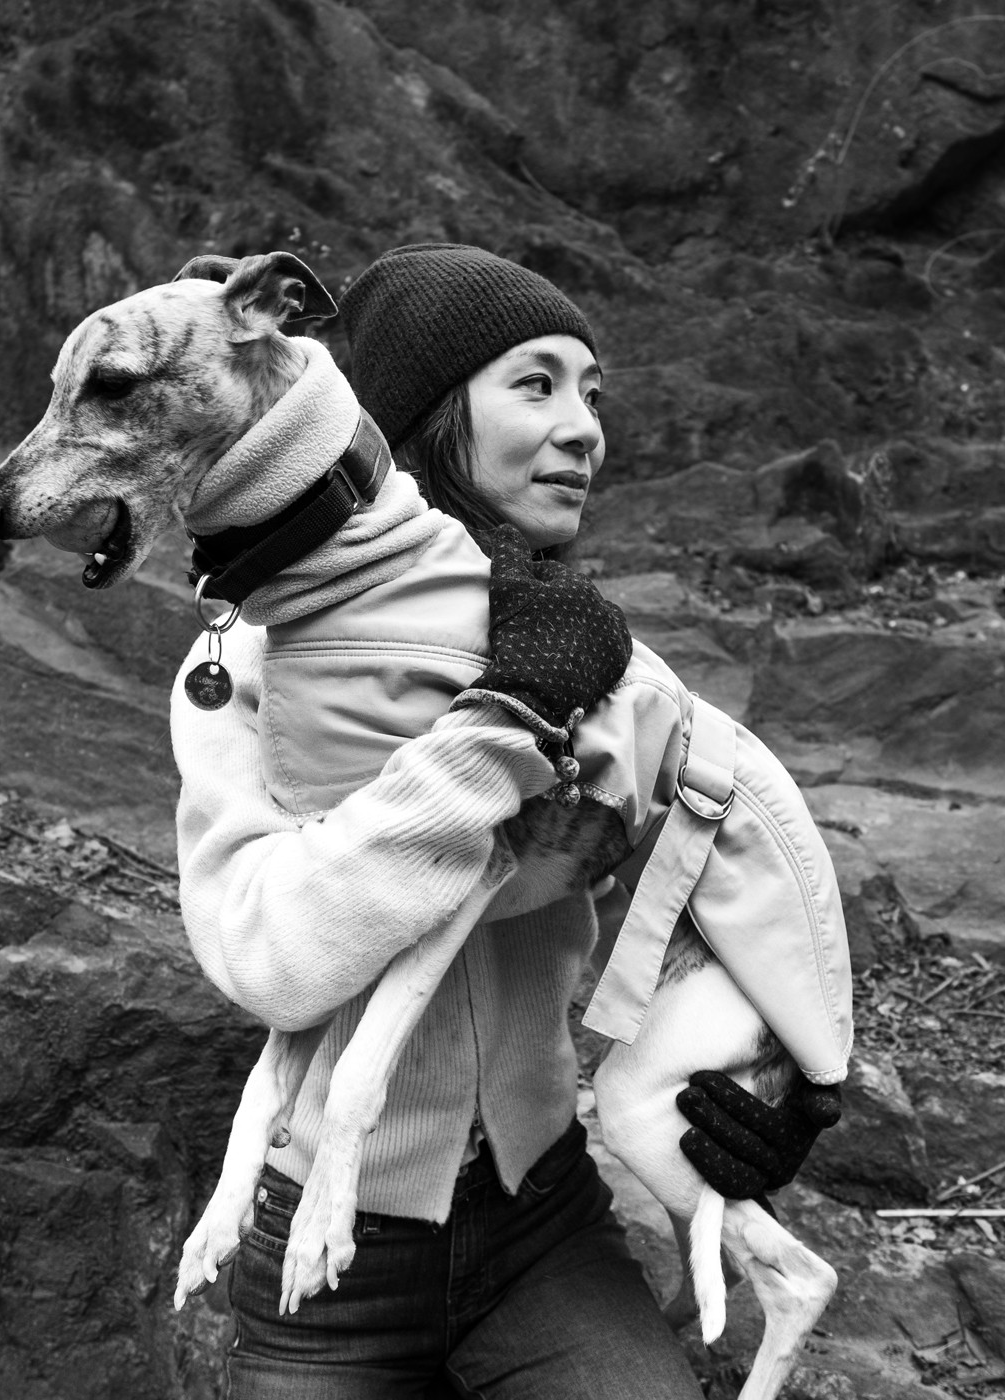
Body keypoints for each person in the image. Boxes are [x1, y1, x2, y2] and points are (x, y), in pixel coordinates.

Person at [172, 244, 839, 1398]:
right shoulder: (246, 670)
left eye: (592, 391)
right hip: (321, 1262)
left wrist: (789, 1072)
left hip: (545, 1223)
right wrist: (502, 720)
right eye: (535, 384)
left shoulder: (587, 653)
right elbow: (270, 955)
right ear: (419, 419)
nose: (585, 427)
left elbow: (732, 848)